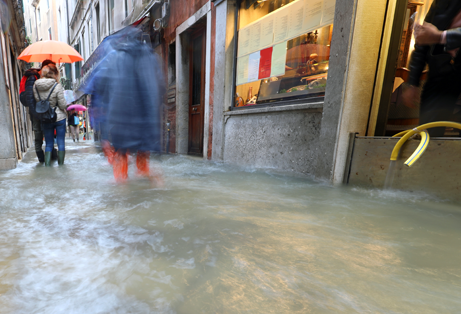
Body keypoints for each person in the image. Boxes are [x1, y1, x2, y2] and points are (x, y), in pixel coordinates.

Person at [81, 26, 165, 183]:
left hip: (120, 116)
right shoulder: (151, 57)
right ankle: (151, 183)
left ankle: (121, 188)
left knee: (121, 153)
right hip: (146, 116)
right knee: (143, 155)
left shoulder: (113, 58)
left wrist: (101, 113)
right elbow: (160, 87)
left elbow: (100, 83)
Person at [403, 0, 461, 137]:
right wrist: (413, 82)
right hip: (441, 74)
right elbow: (422, 41)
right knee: (429, 134)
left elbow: (433, 36)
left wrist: (440, 36)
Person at [19, 59, 58, 162]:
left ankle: (51, 156)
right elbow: (29, 98)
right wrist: (36, 114)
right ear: (45, 68)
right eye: (50, 69)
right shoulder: (32, 78)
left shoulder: (41, 78)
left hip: (42, 110)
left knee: (48, 132)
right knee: (38, 134)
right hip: (35, 111)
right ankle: (41, 159)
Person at [33, 64, 67, 166]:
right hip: (59, 117)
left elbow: (38, 101)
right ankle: (61, 166)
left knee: (48, 144)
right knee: (60, 142)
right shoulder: (57, 85)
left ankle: (47, 167)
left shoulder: (36, 86)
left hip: (46, 117)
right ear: (52, 73)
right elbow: (62, 105)